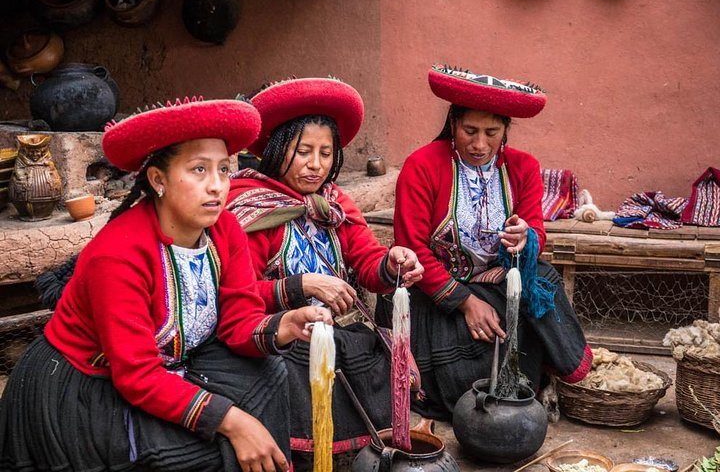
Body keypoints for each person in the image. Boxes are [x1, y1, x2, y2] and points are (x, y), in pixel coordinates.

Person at [0, 96, 333, 472]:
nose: (217, 187)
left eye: (224, 170)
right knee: (198, 454)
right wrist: (233, 421)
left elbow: (239, 319)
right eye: (198, 170)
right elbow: (137, 375)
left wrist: (282, 325)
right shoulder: (119, 255)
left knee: (272, 372)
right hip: (90, 386)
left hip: (173, 364)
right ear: (158, 180)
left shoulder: (224, 231)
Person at [225, 77, 424, 470]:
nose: (316, 165)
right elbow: (238, 295)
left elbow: (367, 262)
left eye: (326, 153)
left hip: (340, 331)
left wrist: (393, 262)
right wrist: (300, 286)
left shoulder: (335, 205)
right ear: (278, 150)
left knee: (368, 355)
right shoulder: (252, 208)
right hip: (286, 334)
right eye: (303, 152)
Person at [378, 65, 593, 421]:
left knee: (542, 278)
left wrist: (525, 237)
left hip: (494, 282)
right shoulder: (422, 166)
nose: (480, 144)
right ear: (452, 125)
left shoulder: (523, 168)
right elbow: (412, 251)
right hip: (434, 293)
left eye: (492, 132)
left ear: (506, 130)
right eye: (470, 130)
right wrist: (465, 303)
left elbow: (537, 231)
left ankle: (566, 369)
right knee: (462, 370)